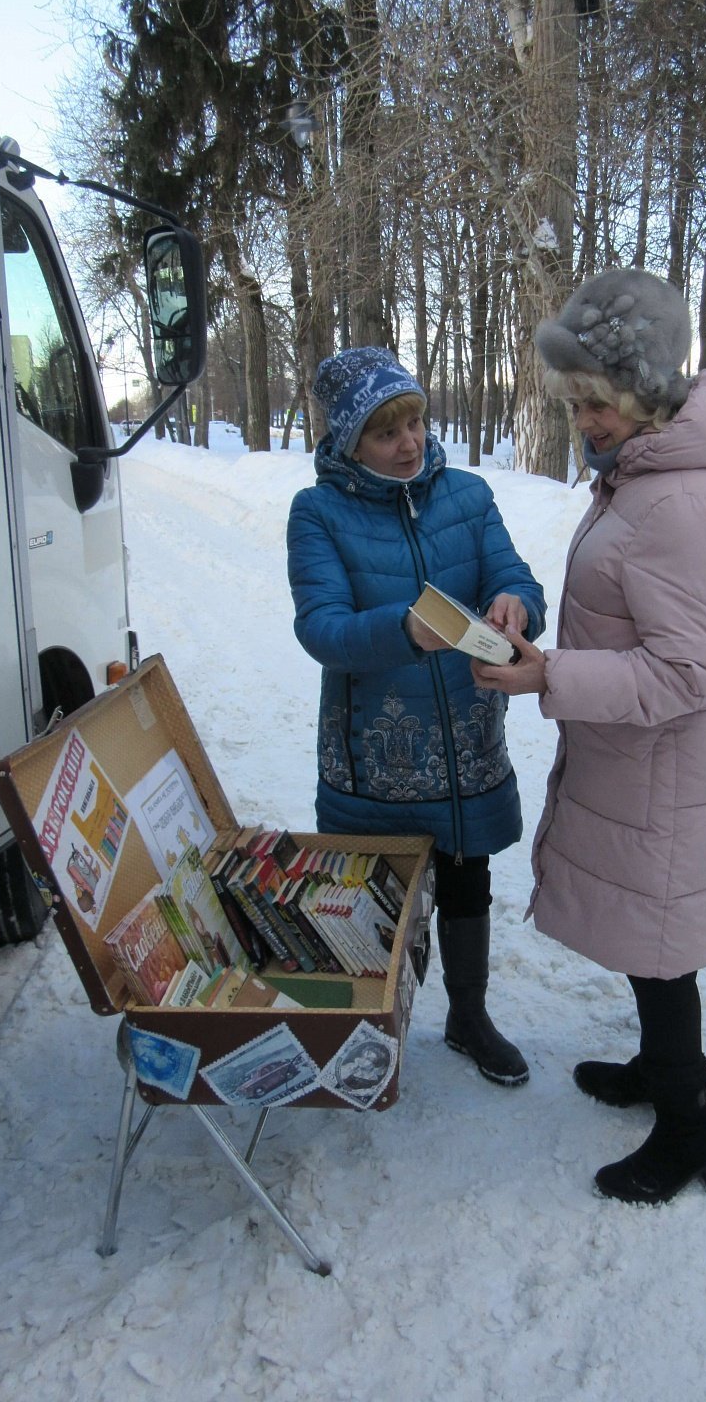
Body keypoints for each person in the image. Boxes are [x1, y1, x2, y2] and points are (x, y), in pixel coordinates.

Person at [472, 269, 706, 1201]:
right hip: (654, 758)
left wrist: (549, 674)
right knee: (655, 936)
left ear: (646, 393)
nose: (583, 420)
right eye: (574, 401)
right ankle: (659, 1072)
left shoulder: (677, 502)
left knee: (663, 942)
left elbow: (687, 671)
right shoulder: (650, 474)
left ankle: (692, 1129)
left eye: (595, 401)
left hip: (669, 767)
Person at [287, 346, 547, 1085]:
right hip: (376, 749)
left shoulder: (466, 495)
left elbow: (516, 575)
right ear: (349, 441)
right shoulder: (318, 513)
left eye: (416, 422)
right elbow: (322, 628)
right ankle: (361, 1028)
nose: (409, 443)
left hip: (467, 738)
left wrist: (517, 603)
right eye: (385, 431)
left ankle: (469, 1016)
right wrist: (401, 630)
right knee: (373, 897)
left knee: (467, 879)